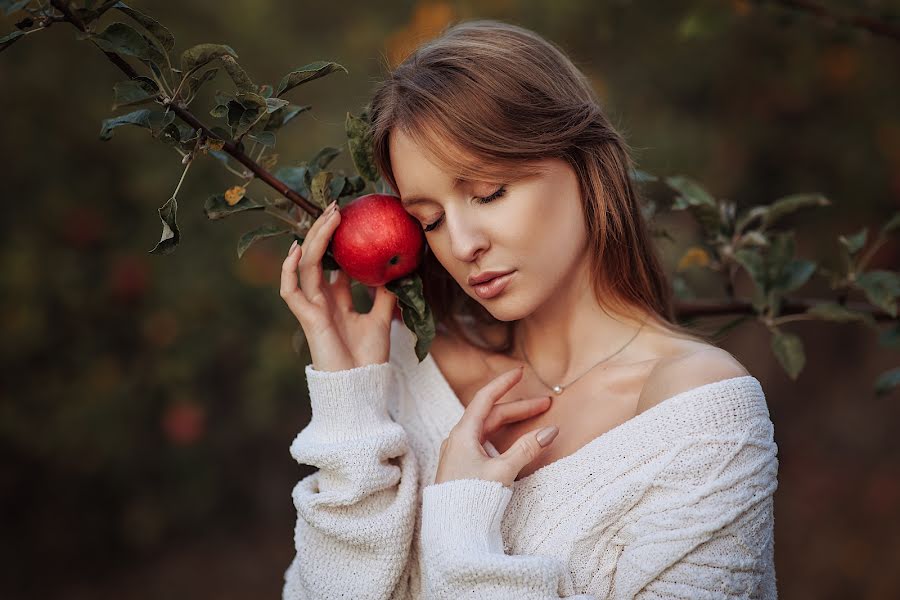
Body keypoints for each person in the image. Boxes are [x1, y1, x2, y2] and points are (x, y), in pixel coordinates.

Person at [279, 19, 779, 600]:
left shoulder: (701, 424)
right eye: (430, 220)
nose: (462, 245)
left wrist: (462, 528)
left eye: (489, 192)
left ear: (584, 164)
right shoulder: (406, 374)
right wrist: (351, 408)